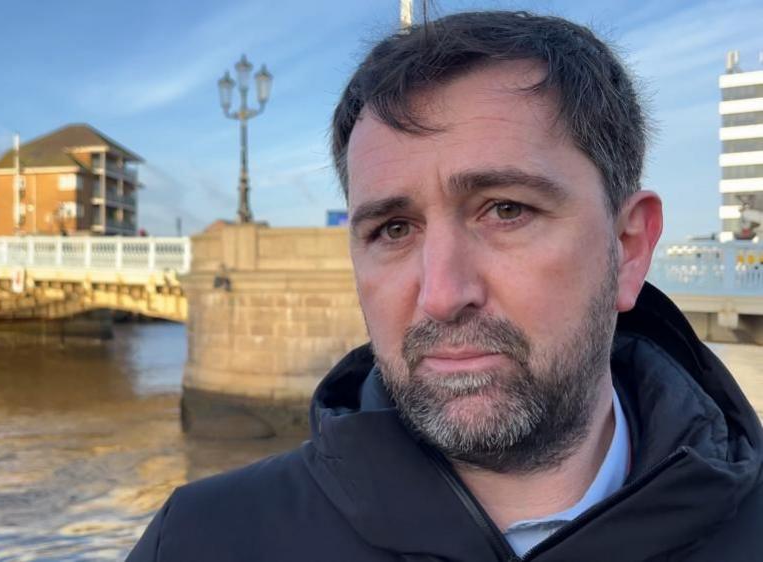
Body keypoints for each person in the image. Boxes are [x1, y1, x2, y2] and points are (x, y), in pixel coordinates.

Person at [128, 11, 763, 561]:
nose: (440, 294)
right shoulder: (200, 543)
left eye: (506, 209)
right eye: (393, 228)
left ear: (627, 247)